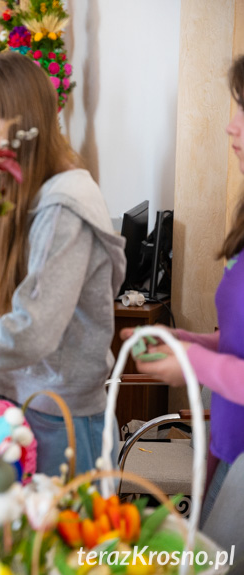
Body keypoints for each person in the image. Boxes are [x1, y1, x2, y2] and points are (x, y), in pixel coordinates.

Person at [0, 52, 126, 477]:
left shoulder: (63, 204)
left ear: (19, 124)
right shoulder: (30, 192)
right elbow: (24, 293)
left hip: (59, 413)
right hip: (24, 396)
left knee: (62, 542)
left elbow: (35, 328)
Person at [121, 54, 244, 526]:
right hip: (228, 450)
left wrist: (191, 363)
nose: (231, 128)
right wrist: (187, 341)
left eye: (242, 110)